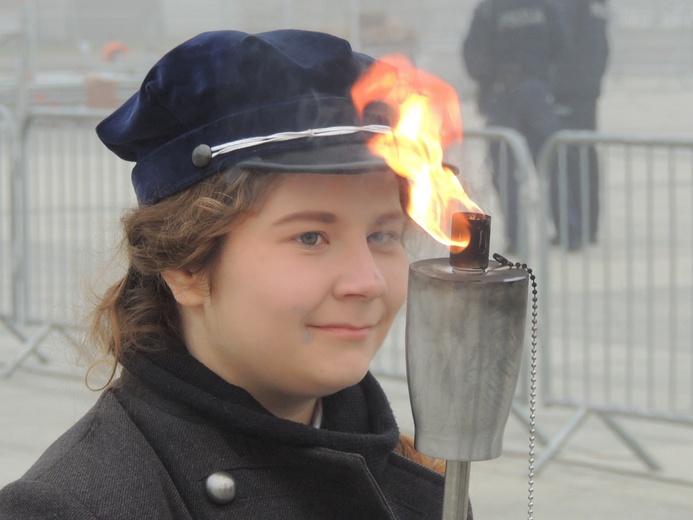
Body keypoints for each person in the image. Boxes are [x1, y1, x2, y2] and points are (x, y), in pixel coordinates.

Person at [0, 30, 460, 519]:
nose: (368, 282)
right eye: (310, 237)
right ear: (186, 266)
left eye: (383, 236)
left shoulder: (421, 476)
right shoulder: (74, 505)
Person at [461, 0, 569, 253]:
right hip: (536, 91)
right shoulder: (546, 7)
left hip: (504, 94)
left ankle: (516, 237)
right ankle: (567, 232)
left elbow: (473, 51)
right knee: (551, 163)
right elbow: (562, 46)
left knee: (507, 173)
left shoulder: (491, 9)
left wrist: (491, 80)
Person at [549, 0, 609, 247]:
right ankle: (586, 225)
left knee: (570, 159)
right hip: (584, 89)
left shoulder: (577, 5)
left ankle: (576, 226)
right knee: (583, 157)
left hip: (571, 90)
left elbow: (567, 45)